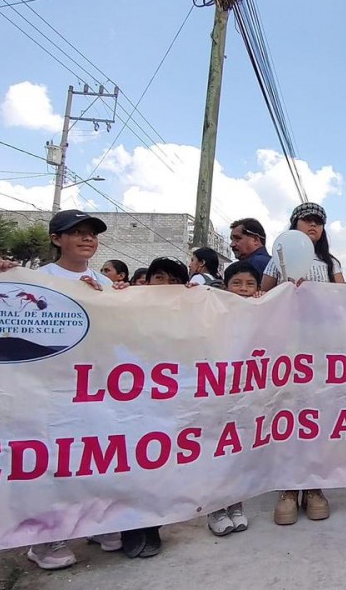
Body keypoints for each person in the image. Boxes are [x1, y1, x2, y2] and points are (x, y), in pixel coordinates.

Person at [27, 209, 124, 570]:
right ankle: (45, 539)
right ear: (56, 239)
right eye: (77, 232)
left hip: (96, 385)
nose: (87, 239)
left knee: (93, 455)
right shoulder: (38, 279)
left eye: (92, 234)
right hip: (52, 385)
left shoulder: (107, 283)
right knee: (54, 461)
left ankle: (96, 524)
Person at [261, 202, 342, 525]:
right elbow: (260, 299)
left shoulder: (329, 262)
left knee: (314, 416)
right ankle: (287, 488)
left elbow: (342, 302)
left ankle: (313, 485)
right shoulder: (274, 261)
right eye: (307, 220)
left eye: (319, 222)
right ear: (293, 224)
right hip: (284, 350)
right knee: (285, 414)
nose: (313, 226)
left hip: (318, 349)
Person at [119, 257, 189, 559]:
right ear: (147, 281)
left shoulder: (196, 313)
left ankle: (151, 526)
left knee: (161, 463)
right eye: (160, 277)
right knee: (129, 461)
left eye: (174, 280)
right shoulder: (125, 305)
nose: (166, 286)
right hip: (130, 399)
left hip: (171, 403)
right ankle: (130, 527)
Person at [204, 262, 264, 536]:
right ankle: (214, 507)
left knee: (238, 449)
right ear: (225, 286)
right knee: (215, 449)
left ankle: (236, 504)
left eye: (249, 284)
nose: (243, 289)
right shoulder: (211, 312)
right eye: (237, 283)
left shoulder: (264, 311)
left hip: (247, 393)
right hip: (216, 391)